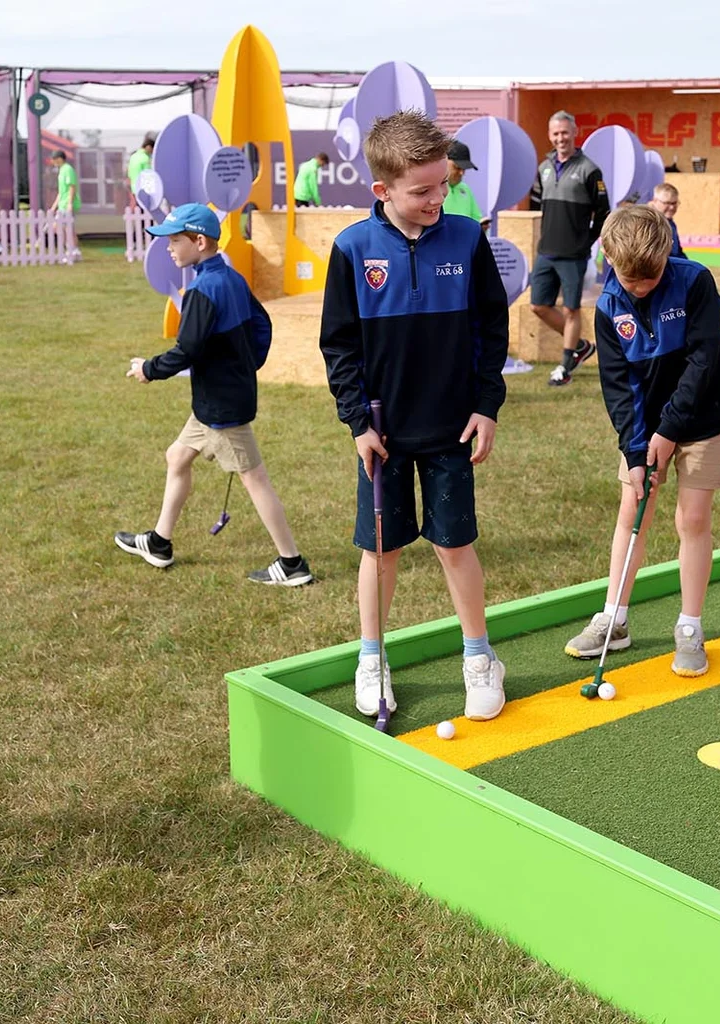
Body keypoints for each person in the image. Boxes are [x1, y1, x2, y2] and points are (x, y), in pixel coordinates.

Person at [320, 110, 511, 722]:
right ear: (383, 191)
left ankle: (479, 658)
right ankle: (371, 660)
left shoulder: (467, 238)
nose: (438, 199)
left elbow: (490, 327)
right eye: (422, 190)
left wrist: (486, 405)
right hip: (383, 436)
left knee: (456, 545)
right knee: (381, 552)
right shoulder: (352, 249)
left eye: (444, 185)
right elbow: (340, 345)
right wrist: (358, 422)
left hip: (452, 427)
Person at [565, 205, 720, 676]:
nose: (639, 287)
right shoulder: (607, 305)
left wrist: (670, 429)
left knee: (693, 519)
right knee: (633, 508)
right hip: (643, 426)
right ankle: (614, 618)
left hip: (700, 418)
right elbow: (619, 387)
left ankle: (690, 627)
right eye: (630, 279)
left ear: (665, 255)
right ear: (611, 262)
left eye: (650, 277)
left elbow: (704, 362)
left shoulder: (695, 282)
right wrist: (636, 450)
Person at [115, 203, 312, 587]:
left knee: (254, 479)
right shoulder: (231, 278)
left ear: (199, 241)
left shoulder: (204, 289)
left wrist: (148, 370)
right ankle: (159, 543)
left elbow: (186, 349)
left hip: (222, 407)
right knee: (177, 457)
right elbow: (261, 325)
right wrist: (243, 366)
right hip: (216, 401)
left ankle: (292, 563)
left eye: (174, 241)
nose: (169, 249)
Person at [528, 110, 608, 386]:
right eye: (555, 134)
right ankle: (581, 346)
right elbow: (535, 206)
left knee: (572, 309)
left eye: (565, 132)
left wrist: (586, 242)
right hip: (546, 251)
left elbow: (604, 212)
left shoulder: (589, 169)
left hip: (573, 254)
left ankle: (564, 367)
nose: (560, 138)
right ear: (550, 136)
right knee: (538, 305)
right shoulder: (544, 167)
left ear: (575, 133)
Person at [442, 140, 485, 223]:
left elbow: (476, 218)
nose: (462, 173)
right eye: (457, 167)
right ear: (444, 161)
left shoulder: (465, 189)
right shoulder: (433, 189)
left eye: (464, 169)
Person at [49, 150, 79, 250]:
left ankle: (73, 249)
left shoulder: (68, 169)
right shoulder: (61, 170)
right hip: (62, 204)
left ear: (60, 159)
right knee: (64, 228)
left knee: (67, 228)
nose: (53, 162)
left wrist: (70, 203)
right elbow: (61, 191)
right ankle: (71, 248)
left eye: (54, 160)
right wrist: (54, 206)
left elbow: (72, 186)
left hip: (67, 204)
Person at [648, 181, 687, 259]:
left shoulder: (671, 224)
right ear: (655, 201)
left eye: (674, 203)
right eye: (667, 203)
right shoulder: (648, 224)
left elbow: (678, 252)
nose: (672, 207)